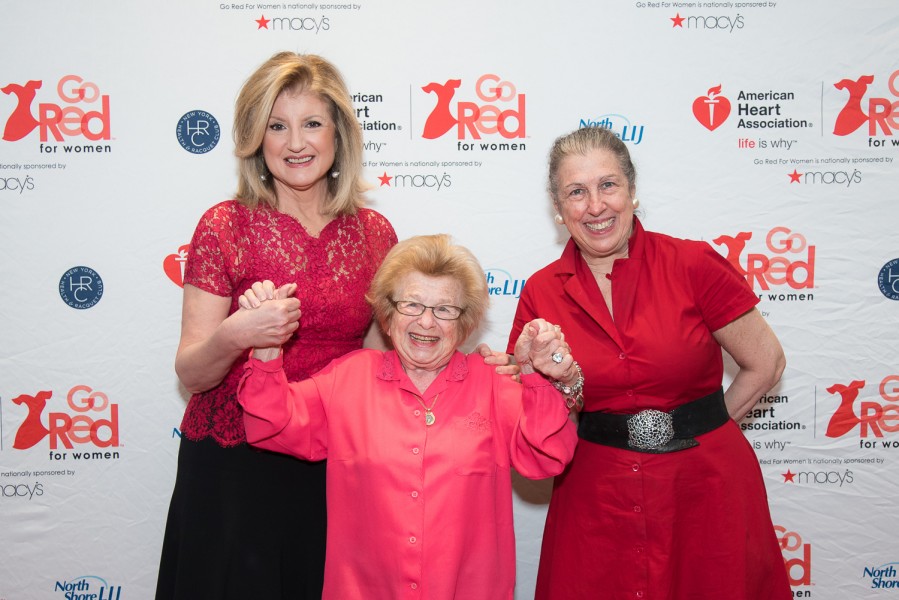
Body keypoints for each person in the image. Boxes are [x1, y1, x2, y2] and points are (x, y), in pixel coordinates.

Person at [507, 126, 792, 599]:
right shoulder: (541, 291)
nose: (595, 206)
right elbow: (544, 413)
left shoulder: (693, 263)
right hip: (596, 493)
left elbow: (767, 362)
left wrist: (704, 430)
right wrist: (537, 376)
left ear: (633, 192)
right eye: (576, 192)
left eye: (608, 185)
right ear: (558, 209)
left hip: (706, 487)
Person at [154, 52, 399, 599]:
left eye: (312, 123)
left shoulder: (376, 233)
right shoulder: (225, 225)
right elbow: (192, 372)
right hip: (236, 463)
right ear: (254, 139)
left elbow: (387, 361)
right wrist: (238, 333)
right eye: (277, 125)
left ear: (339, 134)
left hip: (333, 457)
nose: (296, 143)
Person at [236, 234, 581, 600]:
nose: (426, 323)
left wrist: (536, 378)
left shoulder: (492, 384)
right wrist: (268, 348)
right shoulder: (347, 379)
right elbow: (268, 426)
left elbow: (547, 457)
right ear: (387, 315)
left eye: (445, 309)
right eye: (412, 305)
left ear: (465, 323)